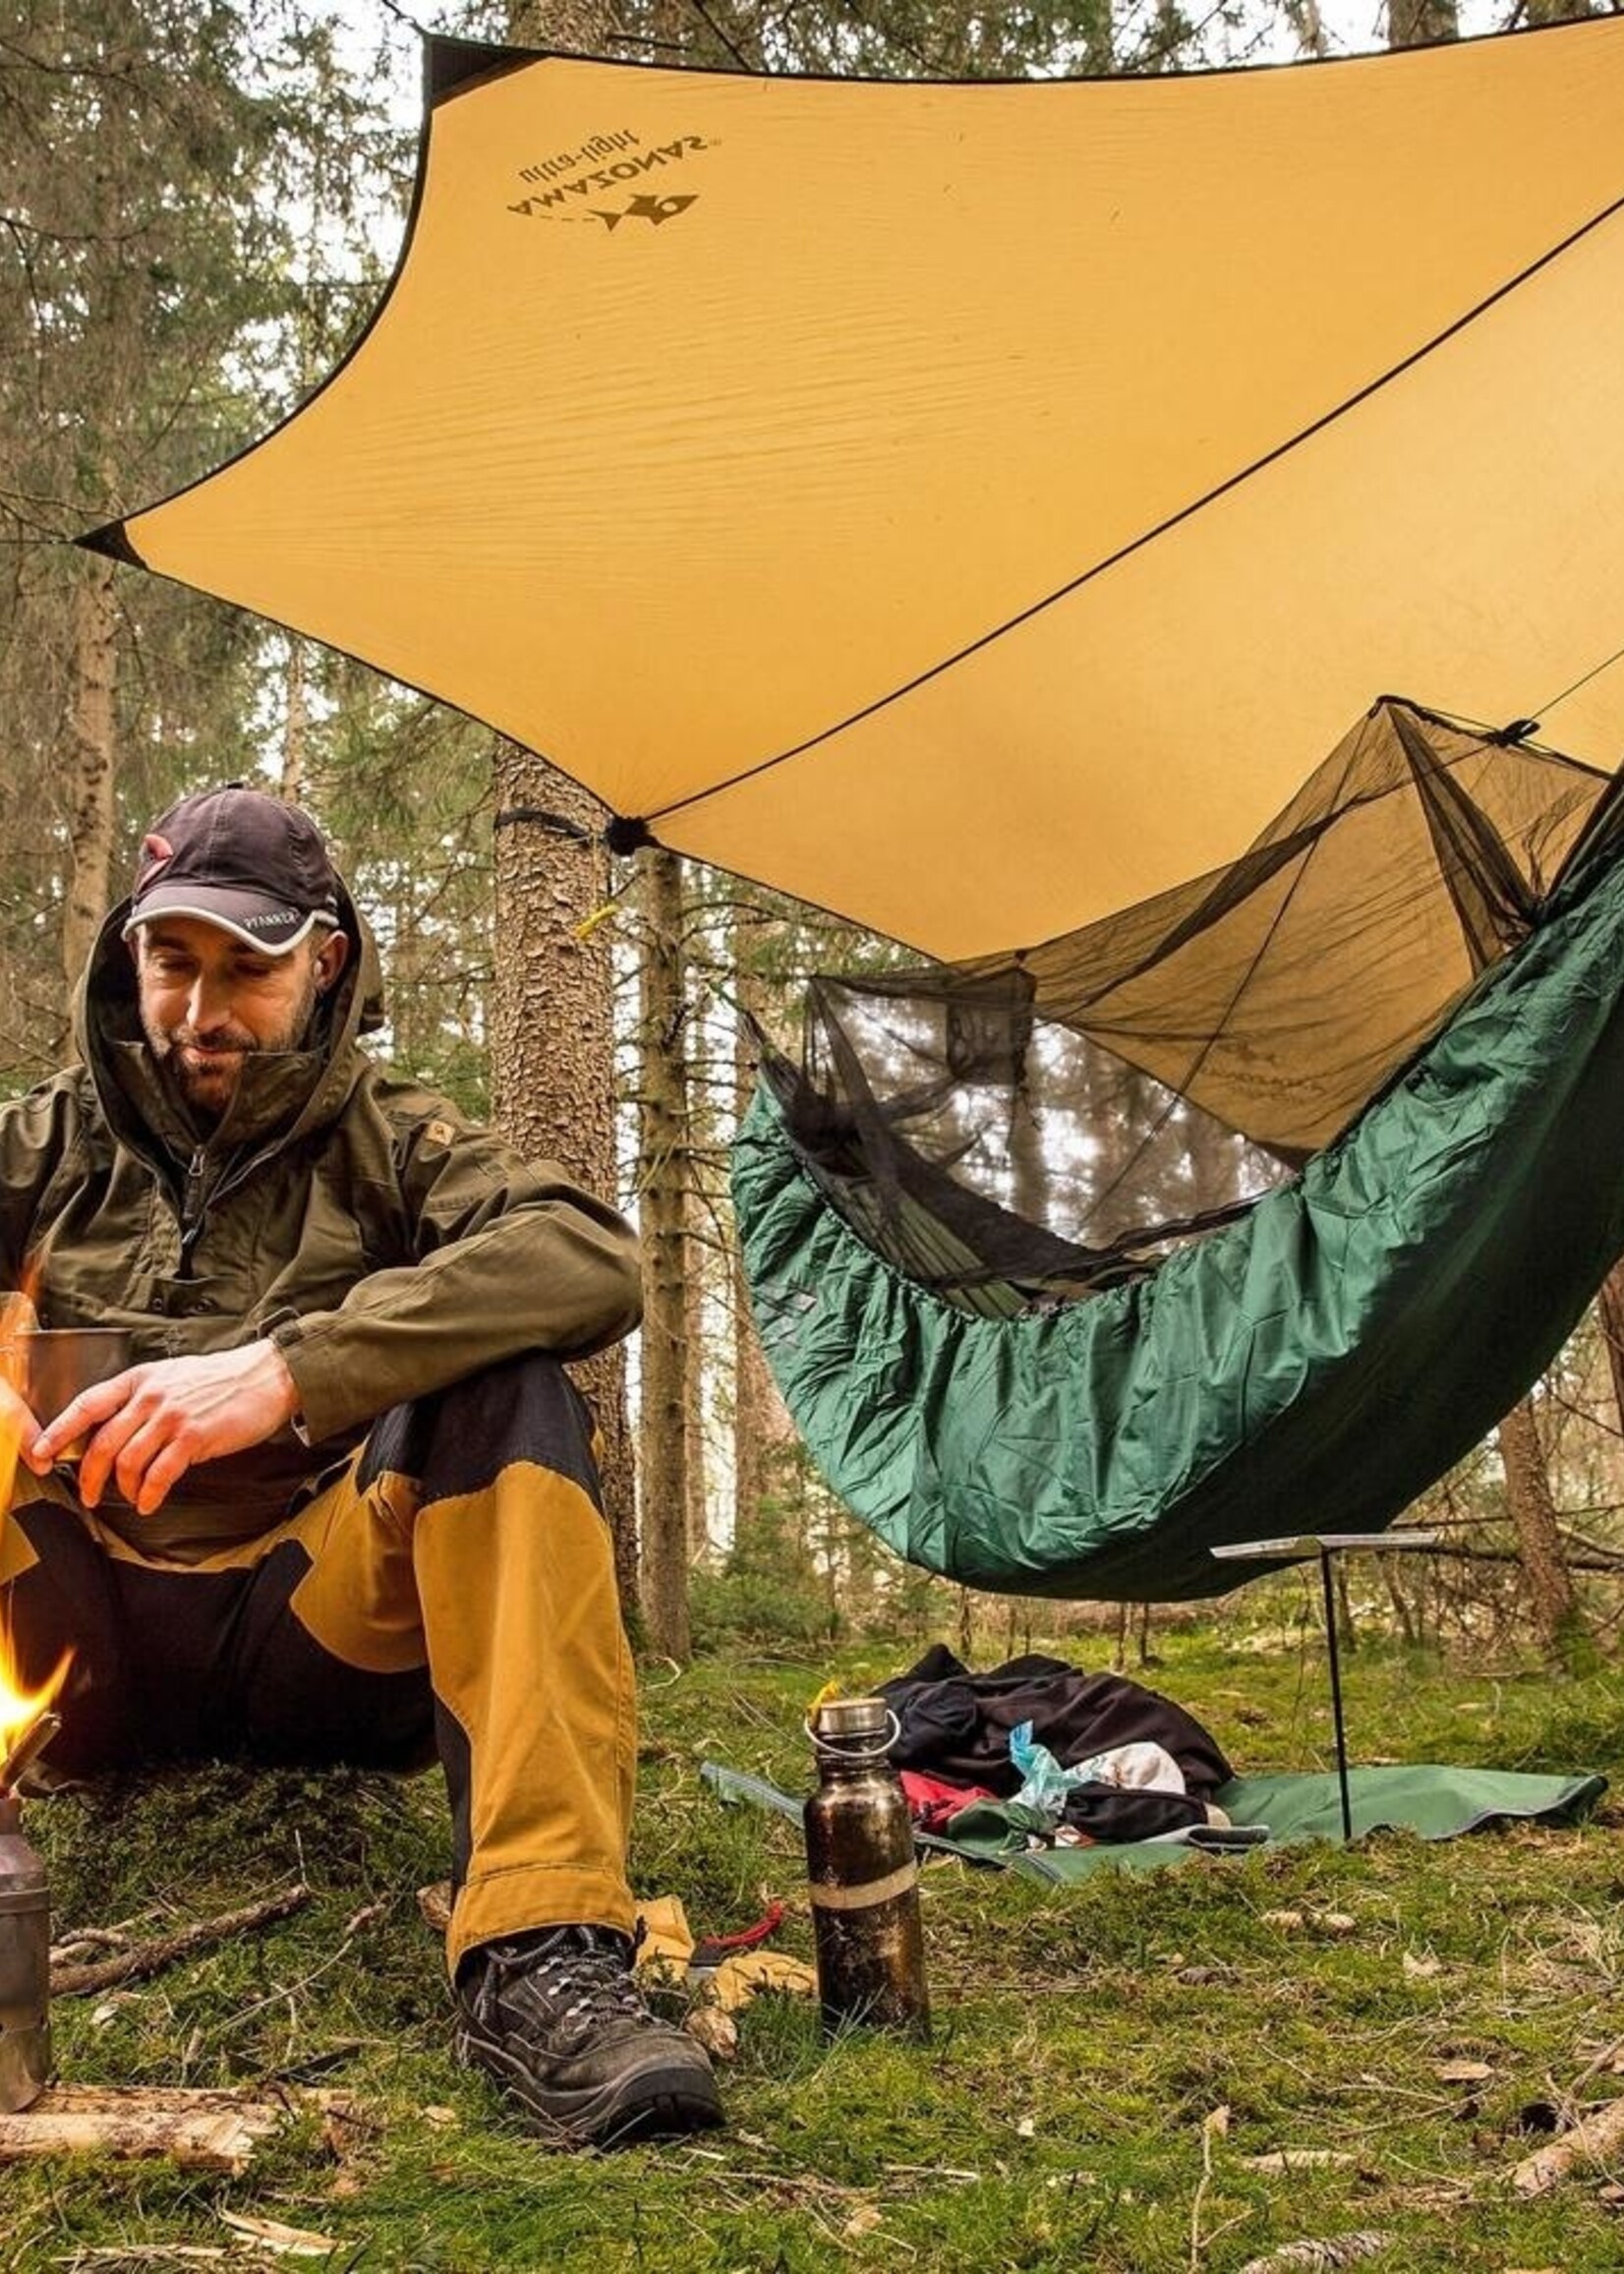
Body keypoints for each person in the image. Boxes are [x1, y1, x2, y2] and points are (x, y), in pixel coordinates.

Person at [0, 785, 722, 2147]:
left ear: (324, 960)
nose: (201, 1010)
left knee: (508, 1383)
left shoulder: (393, 1140)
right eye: (172, 963)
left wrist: (287, 1374)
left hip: (318, 1632)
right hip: (71, 1636)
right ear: (129, 956)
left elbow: (588, 1254)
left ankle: (542, 1948)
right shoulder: (46, 1141)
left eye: (247, 969)